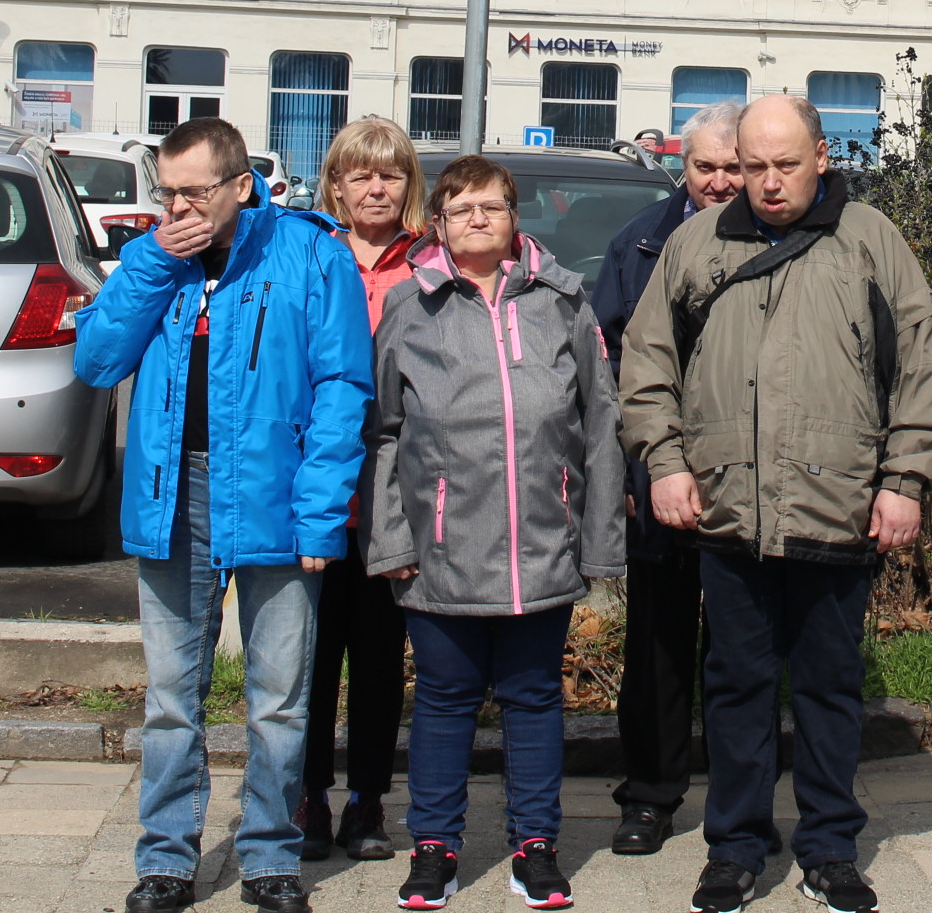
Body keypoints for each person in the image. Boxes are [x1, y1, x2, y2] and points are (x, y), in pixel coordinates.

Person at [618, 95, 932, 913]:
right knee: (734, 688)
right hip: (731, 513)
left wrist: (905, 479)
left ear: (822, 158)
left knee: (831, 689)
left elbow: (921, 359)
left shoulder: (871, 239)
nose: (768, 184)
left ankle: (831, 848)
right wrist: (664, 464)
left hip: (837, 507)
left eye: (786, 165)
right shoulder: (697, 242)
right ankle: (733, 849)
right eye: (754, 166)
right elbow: (646, 361)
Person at [74, 117, 372, 913]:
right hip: (175, 497)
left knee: (279, 697)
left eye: (195, 192)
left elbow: (344, 388)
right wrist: (148, 265)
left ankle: (272, 854)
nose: (179, 207)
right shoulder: (154, 259)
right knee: (172, 698)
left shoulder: (311, 253)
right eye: (167, 192)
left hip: (275, 494)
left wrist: (320, 513)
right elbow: (98, 360)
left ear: (243, 186)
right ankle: (165, 860)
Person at [364, 155, 626, 913]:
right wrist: (391, 542)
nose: (478, 218)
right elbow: (384, 434)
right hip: (443, 547)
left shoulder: (562, 303)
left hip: (542, 541)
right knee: (444, 700)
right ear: (438, 224)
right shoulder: (411, 310)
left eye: (493, 206)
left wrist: (600, 540)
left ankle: (534, 846)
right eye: (462, 208)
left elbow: (600, 425)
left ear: (516, 218)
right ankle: (435, 848)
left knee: (535, 697)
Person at [587, 100, 746, 856]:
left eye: (733, 168)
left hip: (751, 475)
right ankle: (649, 795)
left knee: (744, 646)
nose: (719, 183)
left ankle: (739, 802)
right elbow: (609, 363)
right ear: (682, 165)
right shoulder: (641, 241)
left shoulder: (784, 238)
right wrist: (629, 462)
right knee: (657, 643)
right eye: (704, 168)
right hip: (661, 472)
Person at [294, 117, 426, 863]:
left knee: (380, 657)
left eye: (390, 173)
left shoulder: (427, 264)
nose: (375, 187)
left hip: (394, 493)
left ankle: (369, 801)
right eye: (359, 174)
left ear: (409, 184)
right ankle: (307, 795)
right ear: (335, 185)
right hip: (317, 485)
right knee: (309, 658)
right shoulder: (311, 254)